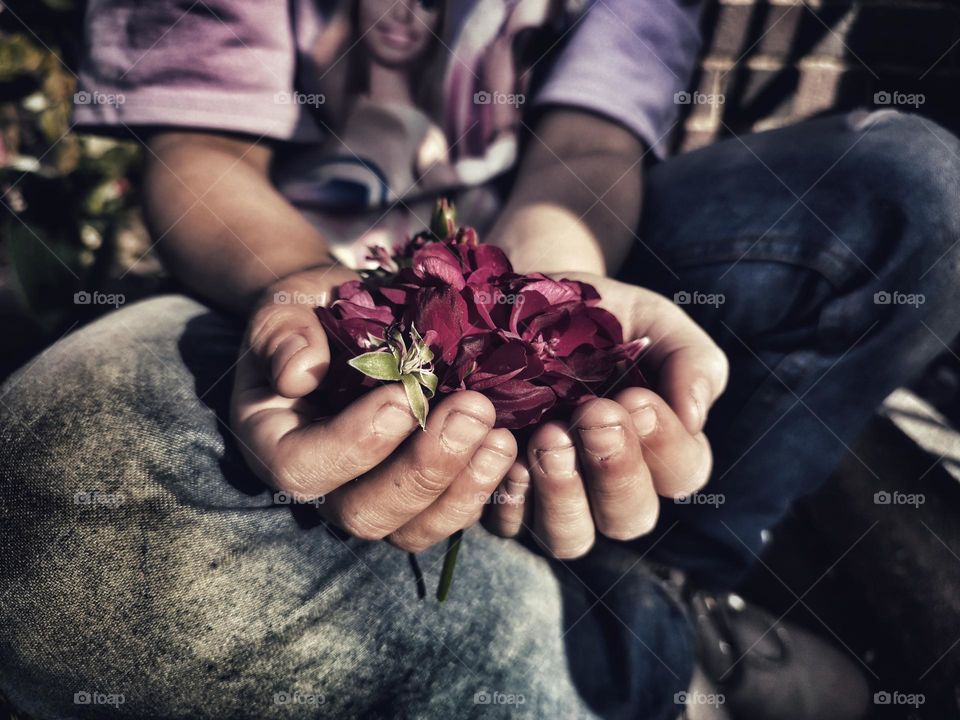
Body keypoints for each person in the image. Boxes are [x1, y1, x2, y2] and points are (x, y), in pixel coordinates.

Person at [1, 0, 958, 718]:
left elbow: (587, 143)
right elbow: (199, 152)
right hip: (290, 280)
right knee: (73, 467)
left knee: (914, 189)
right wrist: (297, 284)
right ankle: (644, 651)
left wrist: (556, 290)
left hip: (571, 243)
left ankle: (681, 580)